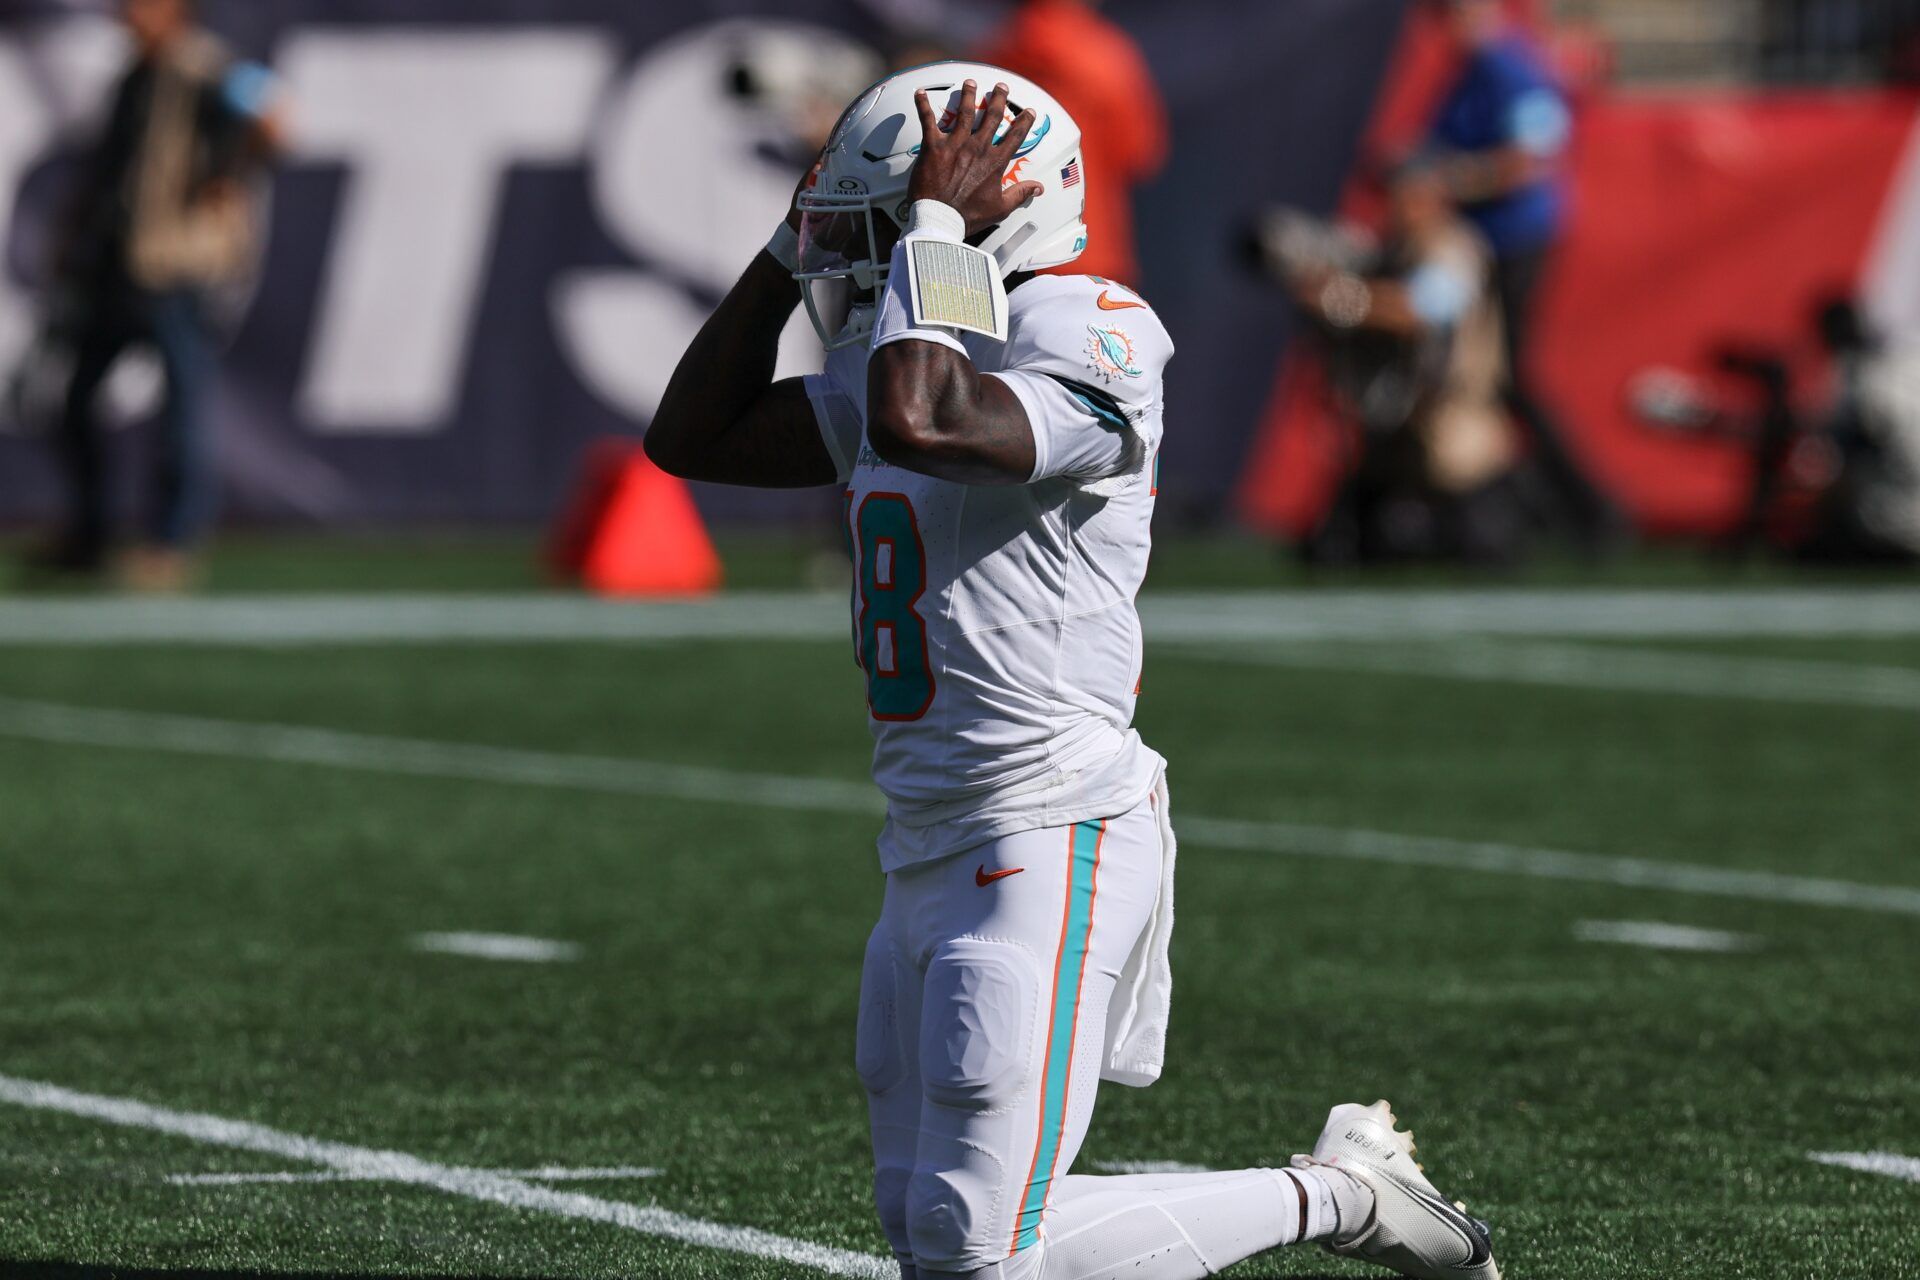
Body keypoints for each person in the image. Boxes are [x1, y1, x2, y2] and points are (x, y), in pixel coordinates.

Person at [646, 62, 1502, 1280]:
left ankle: (1343, 1197)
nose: (871, 259)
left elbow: (929, 421)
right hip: (929, 826)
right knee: (937, 1233)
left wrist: (932, 224)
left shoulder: (1090, 327)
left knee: (977, 1248)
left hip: (1053, 819)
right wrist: (788, 251)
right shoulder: (914, 346)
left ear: (997, 208)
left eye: (889, 225)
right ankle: (1342, 1186)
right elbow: (691, 434)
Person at [27, 0, 282, 588]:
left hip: (174, 267)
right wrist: (72, 237)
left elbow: (273, 119)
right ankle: (90, 534)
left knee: (182, 408)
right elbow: (105, 171)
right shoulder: (132, 78)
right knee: (71, 402)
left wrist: (223, 178)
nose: (127, 13)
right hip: (118, 266)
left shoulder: (204, 69)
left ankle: (172, 543)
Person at [1426, 0, 1620, 551]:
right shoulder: (1471, 71)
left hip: (1515, 240)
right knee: (1493, 377)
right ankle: (1539, 505)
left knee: (1510, 375)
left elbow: (1536, 153)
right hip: (1481, 244)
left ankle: (1590, 508)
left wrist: (1455, 180)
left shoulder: (1508, 67)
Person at [1278, 160, 1523, 564]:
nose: (1397, 205)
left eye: (1408, 193)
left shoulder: (1452, 248)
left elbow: (1421, 310)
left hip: (1454, 417)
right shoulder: (1396, 248)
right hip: (1400, 421)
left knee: (1474, 534)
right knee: (1360, 541)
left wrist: (1341, 299)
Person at [977, 0, 1166, 284]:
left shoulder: (994, 52)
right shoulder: (1107, 55)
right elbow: (1140, 153)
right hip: (1090, 251)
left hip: (1004, 253)